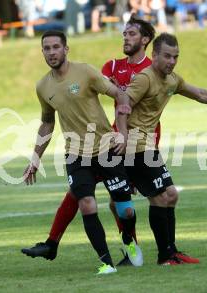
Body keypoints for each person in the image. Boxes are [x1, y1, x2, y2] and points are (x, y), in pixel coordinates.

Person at [22, 16, 200, 266]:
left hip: (138, 143)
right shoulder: (112, 66)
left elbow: (181, 92)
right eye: (124, 33)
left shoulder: (156, 68)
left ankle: (159, 251)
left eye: (131, 33)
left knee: (152, 197)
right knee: (82, 194)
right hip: (114, 141)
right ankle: (138, 249)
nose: (125, 37)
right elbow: (102, 89)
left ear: (146, 40)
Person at [119, 33, 207, 265]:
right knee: (160, 198)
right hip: (135, 147)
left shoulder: (173, 81)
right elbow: (123, 106)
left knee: (170, 195)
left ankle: (171, 252)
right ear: (154, 56)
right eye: (167, 56)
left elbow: (201, 94)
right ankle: (165, 256)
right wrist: (122, 135)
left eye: (175, 57)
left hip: (147, 146)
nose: (171, 61)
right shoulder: (144, 78)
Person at [23, 30, 141, 274]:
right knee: (87, 204)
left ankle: (129, 242)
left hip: (107, 149)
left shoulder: (86, 72)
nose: (52, 52)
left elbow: (118, 94)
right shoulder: (43, 86)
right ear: (43, 52)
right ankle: (106, 263)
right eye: (47, 48)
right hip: (76, 154)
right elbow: (47, 122)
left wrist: (122, 131)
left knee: (126, 210)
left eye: (56, 47)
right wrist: (35, 159)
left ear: (66, 49)